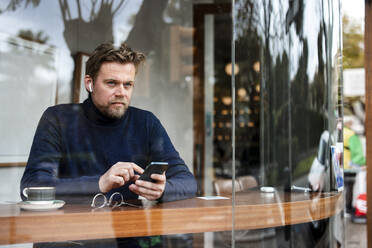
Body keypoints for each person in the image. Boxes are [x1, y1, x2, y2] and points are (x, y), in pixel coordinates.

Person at [20, 42, 197, 204]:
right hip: (68, 234)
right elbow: (31, 187)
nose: (121, 92)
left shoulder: (146, 123)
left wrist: (162, 190)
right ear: (89, 83)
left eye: (128, 85)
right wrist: (99, 183)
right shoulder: (58, 119)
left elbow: (188, 182)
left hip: (127, 233)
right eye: (112, 83)